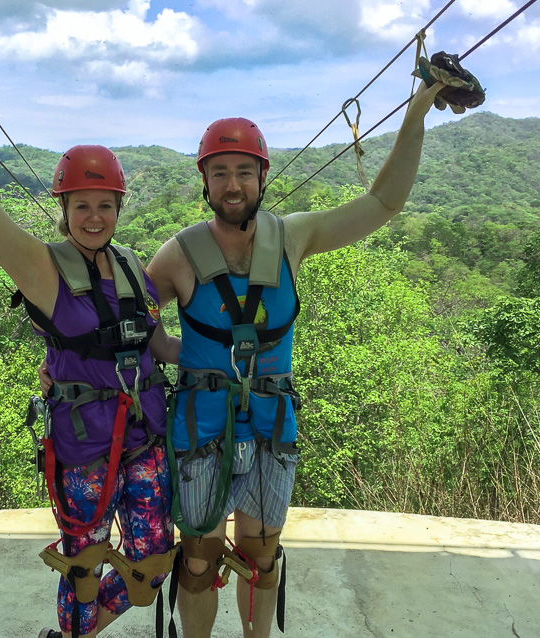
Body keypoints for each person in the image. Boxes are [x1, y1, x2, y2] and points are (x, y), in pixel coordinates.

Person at [0, 48, 180, 638]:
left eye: (104, 206)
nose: (93, 217)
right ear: (63, 210)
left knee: (152, 563)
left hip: (144, 435)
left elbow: (159, 346)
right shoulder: (43, 269)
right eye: (81, 207)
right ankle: (73, 631)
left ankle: (80, 630)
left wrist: (218, 354)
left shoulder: (130, 268)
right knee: (84, 567)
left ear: (119, 209)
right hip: (84, 444)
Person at [143, 79, 446, 638]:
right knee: (200, 558)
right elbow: (123, 321)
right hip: (200, 421)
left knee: (262, 557)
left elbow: (383, 203)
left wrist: (417, 110)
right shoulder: (179, 254)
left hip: (269, 420)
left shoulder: (293, 238)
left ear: (262, 177)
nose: (232, 185)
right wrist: (158, 348)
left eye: (243, 172)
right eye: (220, 173)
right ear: (205, 183)